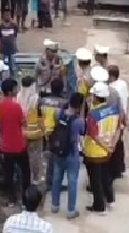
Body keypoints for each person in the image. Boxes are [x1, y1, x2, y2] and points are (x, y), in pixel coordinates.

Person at [84, 82, 119, 212]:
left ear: (96, 97)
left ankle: (99, 206)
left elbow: (94, 136)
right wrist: (112, 145)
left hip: (95, 153)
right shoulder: (114, 110)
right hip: (108, 150)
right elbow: (118, 129)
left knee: (95, 180)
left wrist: (104, 147)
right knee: (106, 176)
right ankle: (110, 200)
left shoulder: (93, 115)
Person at [50, 91, 84, 219]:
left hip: (58, 152)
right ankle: (70, 211)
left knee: (56, 178)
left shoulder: (58, 114)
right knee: (72, 181)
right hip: (71, 154)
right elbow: (82, 132)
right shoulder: (78, 121)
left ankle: (54, 205)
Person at [0, 78, 31, 206]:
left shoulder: (0, 105)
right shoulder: (16, 106)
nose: (17, 91)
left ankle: (11, 198)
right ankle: (25, 198)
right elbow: (23, 123)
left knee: (9, 173)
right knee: (25, 172)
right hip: (19, 145)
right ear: (11, 91)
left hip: (6, 146)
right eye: (16, 89)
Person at [18, 75, 45, 185]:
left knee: (26, 156)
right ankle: (36, 177)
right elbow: (41, 117)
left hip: (23, 132)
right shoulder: (36, 100)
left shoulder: (18, 97)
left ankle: (27, 177)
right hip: (36, 133)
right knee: (36, 156)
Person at [107, 65, 129, 181]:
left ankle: (114, 170)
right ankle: (120, 168)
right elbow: (127, 99)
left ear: (111, 76)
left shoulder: (111, 89)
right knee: (120, 143)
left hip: (115, 118)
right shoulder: (123, 84)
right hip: (123, 116)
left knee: (114, 144)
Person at [0, 9, 20, 77]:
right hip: (3, 49)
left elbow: (15, 37)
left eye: (8, 15)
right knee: (1, 65)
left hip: (11, 49)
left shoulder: (14, 26)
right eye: (6, 15)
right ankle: (0, 77)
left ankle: (12, 77)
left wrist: (15, 46)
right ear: (3, 16)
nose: (7, 16)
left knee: (12, 65)